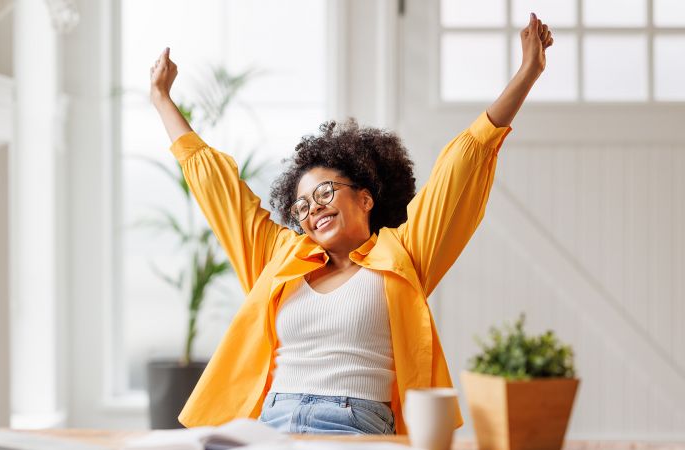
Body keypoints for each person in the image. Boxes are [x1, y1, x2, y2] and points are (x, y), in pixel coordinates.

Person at [149, 13, 554, 435]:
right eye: (302, 205)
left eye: (325, 193)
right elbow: (220, 192)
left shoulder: (403, 255)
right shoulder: (281, 258)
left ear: (365, 198)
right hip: (272, 421)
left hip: (353, 423)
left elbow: (462, 167)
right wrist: (162, 100)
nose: (313, 209)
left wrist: (527, 74)